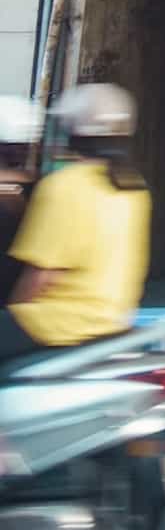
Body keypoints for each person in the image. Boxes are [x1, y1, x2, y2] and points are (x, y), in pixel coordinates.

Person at [0, 84, 150, 362]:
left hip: (56, 324)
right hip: (114, 320)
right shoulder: (133, 189)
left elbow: (40, 276)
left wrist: (12, 314)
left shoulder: (63, 186)